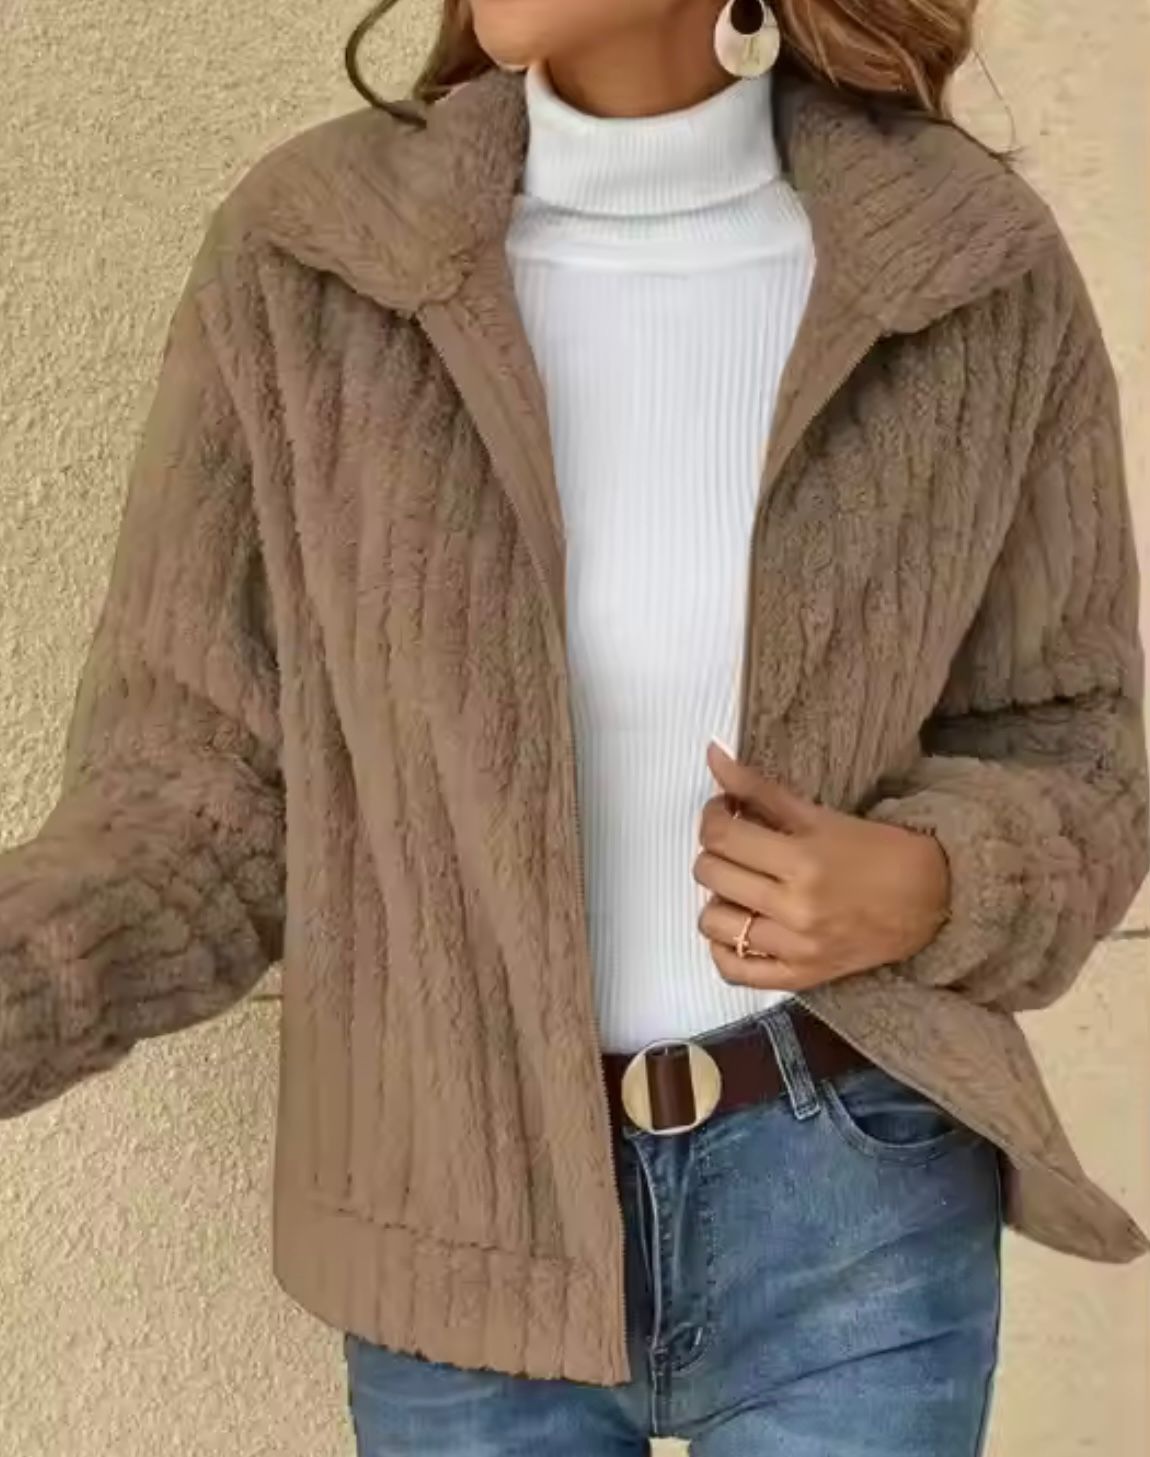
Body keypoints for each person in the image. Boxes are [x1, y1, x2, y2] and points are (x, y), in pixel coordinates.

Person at [1, 0, 1146, 1451]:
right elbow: (194, 795)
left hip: (854, 1201)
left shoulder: (965, 260)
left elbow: (1078, 737)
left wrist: (935, 879)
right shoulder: (310, 260)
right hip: (456, 1210)